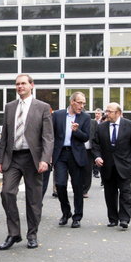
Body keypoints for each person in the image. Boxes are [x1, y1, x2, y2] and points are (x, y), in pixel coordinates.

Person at [0, 74, 54, 250]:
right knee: (7, 193)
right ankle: (14, 234)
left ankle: (32, 235)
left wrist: (45, 159)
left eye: (23, 83)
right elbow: (5, 136)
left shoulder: (43, 107)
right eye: (17, 84)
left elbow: (48, 137)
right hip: (12, 158)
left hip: (33, 159)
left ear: (31, 85)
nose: (20, 86)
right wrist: (0, 159)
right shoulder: (10, 107)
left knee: (33, 199)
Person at [93, 103, 131, 229]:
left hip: (125, 165)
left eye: (110, 111)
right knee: (110, 193)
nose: (107, 114)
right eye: (106, 111)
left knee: (125, 192)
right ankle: (112, 218)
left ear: (118, 113)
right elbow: (95, 144)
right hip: (107, 165)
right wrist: (97, 156)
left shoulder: (130, 126)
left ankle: (124, 219)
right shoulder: (101, 127)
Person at [52, 92, 90, 228]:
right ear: (72, 102)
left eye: (83, 103)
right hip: (60, 154)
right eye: (79, 103)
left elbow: (86, 137)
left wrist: (76, 131)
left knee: (77, 187)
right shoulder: (58, 115)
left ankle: (77, 217)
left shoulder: (85, 117)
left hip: (76, 155)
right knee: (60, 185)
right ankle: (66, 212)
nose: (82, 106)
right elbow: (51, 134)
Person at [92, 108, 103, 179]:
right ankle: (95, 172)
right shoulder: (92, 121)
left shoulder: (103, 121)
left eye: (98, 113)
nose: (97, 115)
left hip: (101, 142)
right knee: (95, 157)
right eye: (96, 113)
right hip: (94, 141)